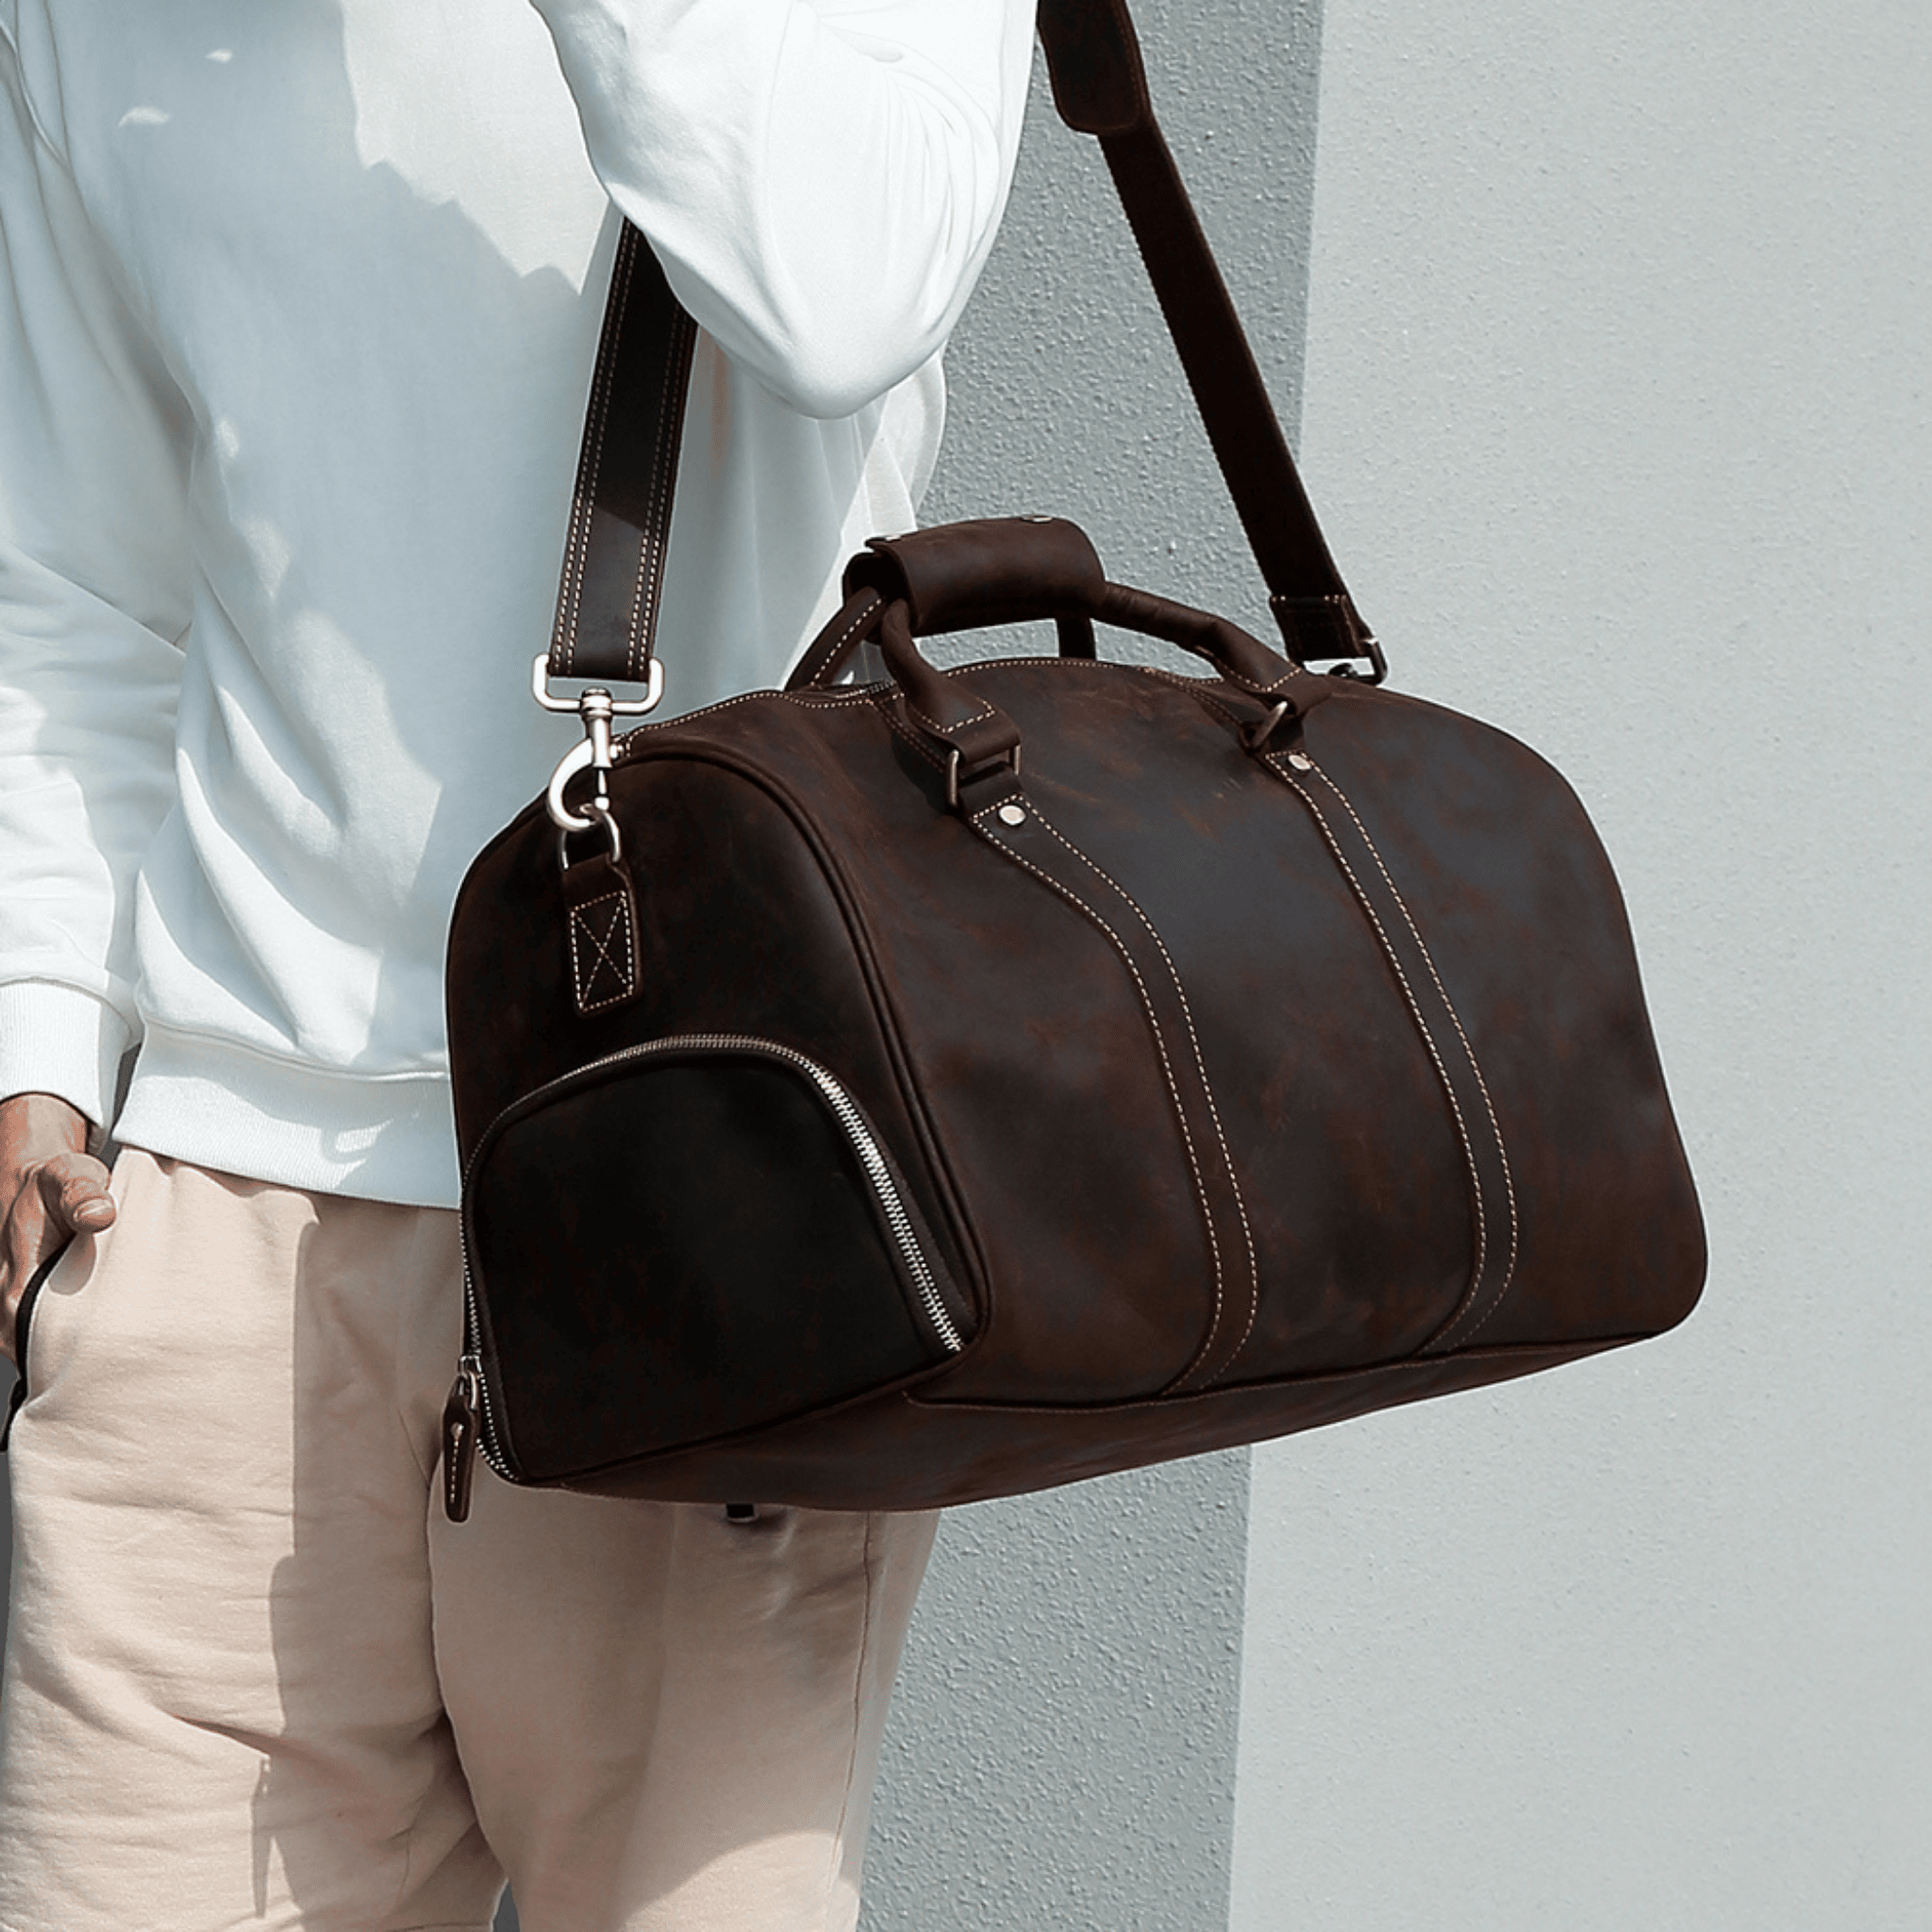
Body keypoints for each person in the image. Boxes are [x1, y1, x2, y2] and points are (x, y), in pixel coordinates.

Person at [0, 1, 1033, 1924]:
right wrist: (43, 1029)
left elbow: (842, 294)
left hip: (706, 1215)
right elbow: (78, 576)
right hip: (218, 1243)